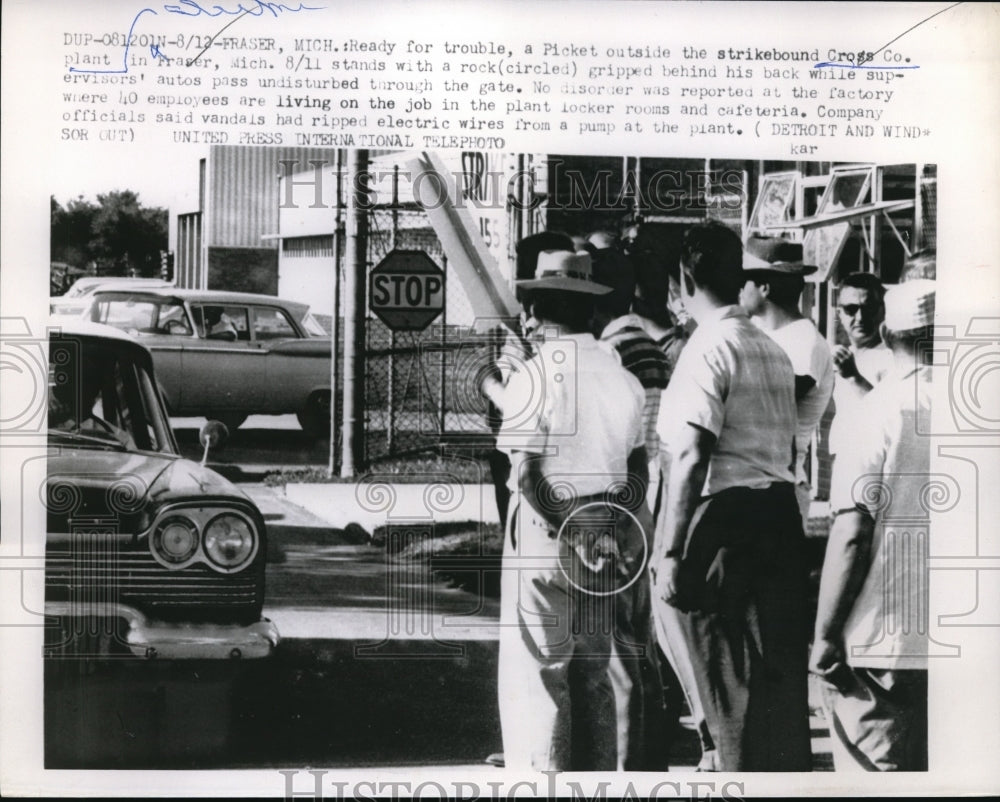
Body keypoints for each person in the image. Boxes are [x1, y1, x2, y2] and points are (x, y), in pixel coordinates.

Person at [651, 221, 812, 771]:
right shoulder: (770, 348)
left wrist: (671, 551)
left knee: (729, 688)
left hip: (726, 522)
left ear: (683, 279)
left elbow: (693, 452)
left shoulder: (707, 347)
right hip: (779, 517)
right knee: (777, 684)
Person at [490, 248, 649, 771]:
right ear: (589, 308)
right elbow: (639, 466)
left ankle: (546, 780)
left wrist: (571, 529)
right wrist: (618, 528)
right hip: (605, 527)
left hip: (549, 527)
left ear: (540, 308)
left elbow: (528, 474)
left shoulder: (535, 376)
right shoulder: (622, 377)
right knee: (593, 671)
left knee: (543, 673)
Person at [810, 279, 935, 771]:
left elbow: (851, 535)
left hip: (886, 641)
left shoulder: (878, 410)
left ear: (886, 331)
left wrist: (824, 636)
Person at [591, 238, 670, 770]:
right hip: (645, 500)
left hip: (619, 503)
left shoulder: (612, 352)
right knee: (638, 642)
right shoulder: (649, 346)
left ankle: (627, 765)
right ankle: (648, 754)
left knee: (617, 651)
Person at [739, 235, 835, 527]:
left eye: (744, 282)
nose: (739, 290)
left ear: (764, 287)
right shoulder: (757, 330)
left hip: (780, 487)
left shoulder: (804, 341)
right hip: (755, 479)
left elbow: (768, 406)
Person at [829, 272, 894, 458]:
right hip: (844, 458)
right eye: (851, 309)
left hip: (872, 461)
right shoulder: (845, 356)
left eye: (869, 308)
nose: (860, 317)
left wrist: (854, 378)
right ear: (839, 313)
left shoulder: (891, 358)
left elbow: (890, 416)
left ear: (883, 310)